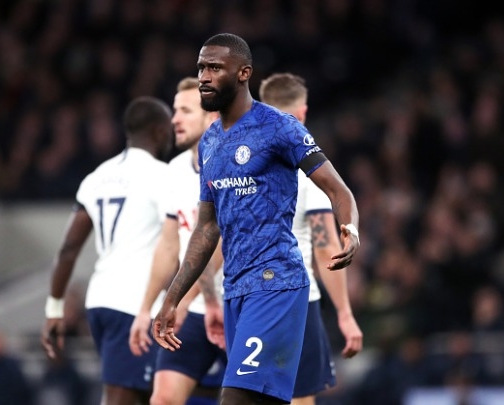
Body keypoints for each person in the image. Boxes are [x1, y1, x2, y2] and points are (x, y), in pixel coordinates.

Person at [153, 33, 360, 405]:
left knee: (236, 399)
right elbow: (207, 228)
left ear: (243, 73)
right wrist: (173, 298)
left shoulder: (279, 127)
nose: (204, 76)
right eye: (201, 68)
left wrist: (351, 229)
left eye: (215, 67)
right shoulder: (211, 142)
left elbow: (338, 189)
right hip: (235, 291)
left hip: (277, 284)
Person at [41, 96, 174, 405]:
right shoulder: (163, 176)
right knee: (122, 397)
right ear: (159, 132)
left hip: (100, 302)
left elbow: (68, 249)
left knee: (150, 395)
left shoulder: (97, 176)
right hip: (134, 305)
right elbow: (177, 243)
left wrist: (54, 309)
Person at [259, 72, 363, 404]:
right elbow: (325, 246)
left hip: (248, 300)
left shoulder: (241, 166)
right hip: (296, 303)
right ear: (302, 112)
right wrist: (345, 313)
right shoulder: (308, 169)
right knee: (300, 399)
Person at [128, 77, 226, 405]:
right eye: (174, 110)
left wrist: (179, 303)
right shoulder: (175, 170)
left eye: (185, 111)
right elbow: (169, 245)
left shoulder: (235, 165)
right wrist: (146, 309)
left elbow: (219, 243)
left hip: (239, 303)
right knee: (163, 398)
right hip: (194, 307)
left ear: (211, 116)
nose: (174, 119)